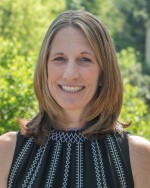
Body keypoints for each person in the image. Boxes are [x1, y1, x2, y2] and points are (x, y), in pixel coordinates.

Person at [0, 10, 150, 188]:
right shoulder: (5, 153)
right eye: (59, 58)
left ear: (103, 73)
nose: (70, 74)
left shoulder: (140, 157)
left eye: (85, 59)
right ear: (44, 68)